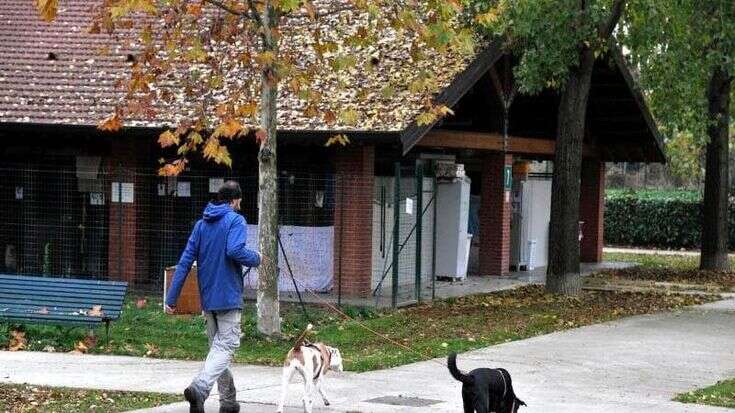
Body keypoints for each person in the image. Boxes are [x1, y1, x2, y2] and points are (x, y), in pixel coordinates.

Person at [165, 180, 262, 413]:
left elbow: (186, 261)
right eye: (239, 201)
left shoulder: (201, 225)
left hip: (208, 297)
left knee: (217, 352)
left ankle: (228, 402)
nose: (240, 205)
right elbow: (235, 250)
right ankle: (199, 387)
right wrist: (257, 258)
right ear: (235, 200)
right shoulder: (236, 220)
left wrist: (171, 298)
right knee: (226, 346)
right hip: (228, 296)